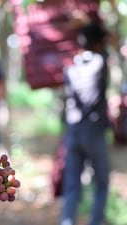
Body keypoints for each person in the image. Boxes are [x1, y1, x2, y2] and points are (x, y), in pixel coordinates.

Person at [60, 22, 111, 225]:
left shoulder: (70, 68)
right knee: (102, 183)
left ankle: (67, 221)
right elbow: (106, 52)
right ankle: (96, 221)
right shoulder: (100, 62)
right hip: (94, 132)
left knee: (72, 184)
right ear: (99, 44)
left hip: (73, 132)